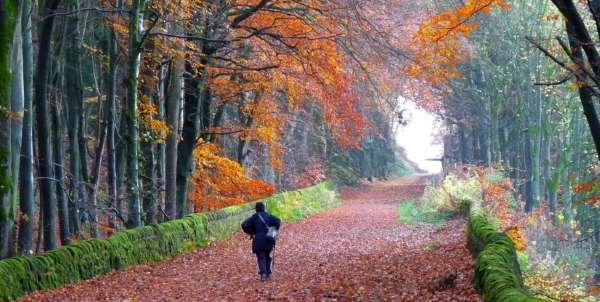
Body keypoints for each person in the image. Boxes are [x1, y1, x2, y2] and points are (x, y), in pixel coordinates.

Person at [241, 202, 281, 281]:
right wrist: (274, 229)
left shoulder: (254, 217)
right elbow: (278, 221)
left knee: (261, 257)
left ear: (256, 209)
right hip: (268, 239)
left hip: (258, 241)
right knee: (267, 256)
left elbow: (244, 225)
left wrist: (251, 232)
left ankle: (263, 274)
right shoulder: (268, 215)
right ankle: (268, 273)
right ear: (264, 208)